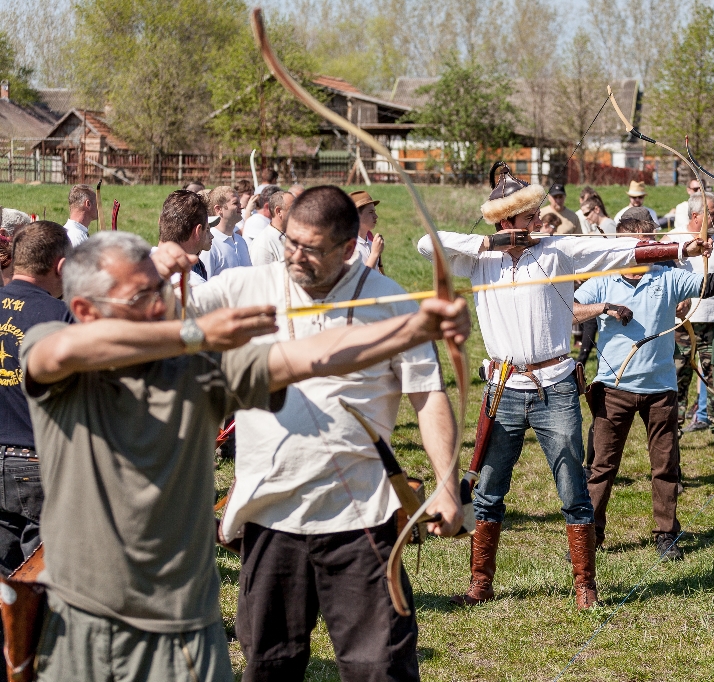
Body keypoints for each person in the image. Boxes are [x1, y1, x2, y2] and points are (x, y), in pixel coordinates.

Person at [21, 230, 469, 682]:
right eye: (142, 295)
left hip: (181, 634)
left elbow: (307, 356)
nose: (160, 304)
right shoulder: (59, 363)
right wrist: (192, 331)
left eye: (160, 289)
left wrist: (411, 328)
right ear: (84, 309)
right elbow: (59, 352)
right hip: (77, 623)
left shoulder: (198, 372)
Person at [190, 186, 463, 681]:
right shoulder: (244, 288)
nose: (295, 256)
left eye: (311, 249)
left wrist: (447, 483)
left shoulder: (391, 302)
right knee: (268, 665)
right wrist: (161, 272)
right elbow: (157, 314)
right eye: (291, 241)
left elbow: (428, 397)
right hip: (271, 513)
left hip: (362, 516)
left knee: (379, 667)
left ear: (347, 246)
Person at [417, 165, 702, 610]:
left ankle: (585, 584)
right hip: (504, 386)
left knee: (573, 484)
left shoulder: (557, 250)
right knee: (490, 487)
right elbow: (426, 243)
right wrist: (494, 243)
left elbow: (617, 250)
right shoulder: (478, 258)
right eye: (527, 216)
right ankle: (480, 583)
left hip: (555, 386)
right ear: (504, 221)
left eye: (535, 214)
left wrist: (682, 245)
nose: (537, 221)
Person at [575, 208, 714, 557]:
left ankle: (666, 535)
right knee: (601, 466)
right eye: (641, 241)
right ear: (624, 245)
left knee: (665, 466)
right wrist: (604, 307)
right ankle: (592, 534)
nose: (649, 246)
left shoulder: (665, 277)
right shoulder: (603, 282)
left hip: (660, 391)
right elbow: (568, 310)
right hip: (613, 389)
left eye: (650, 240)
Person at [0, 222, 73, 666]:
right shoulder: (59, 316)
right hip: (36, 460)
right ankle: (40, 665)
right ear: (60, 265)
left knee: (6, 582)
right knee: (44, 582)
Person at [663, 192, 714, 456]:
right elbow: (659, 276)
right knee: (675, 380)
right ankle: (670, 438)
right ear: (696, 216)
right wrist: (676, 300)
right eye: (711, 211)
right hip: (681, 324)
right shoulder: (672, 239)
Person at [157, 190, 213, 283]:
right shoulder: (193, 286)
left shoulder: (135, 265)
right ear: (198, 231)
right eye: (206, 229)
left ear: (160, 222)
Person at [201, 185, 251, 278]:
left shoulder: (241, 241)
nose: (242, 206)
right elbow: (203, 284)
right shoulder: (209, 244)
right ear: (218, 209)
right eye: (235, 203)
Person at [249, 190, 293, 266]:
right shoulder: (263, 245)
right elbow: (262, 276)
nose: (298, 212)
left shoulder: (289, 235)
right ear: (278, 211)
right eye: (293, 208)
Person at [349, 190, 386, 272]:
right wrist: (375, 254)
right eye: (370, 212)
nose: (376, 216)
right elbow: (360, 280)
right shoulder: (349, 247)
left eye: (374, 212)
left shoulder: (370, 243)